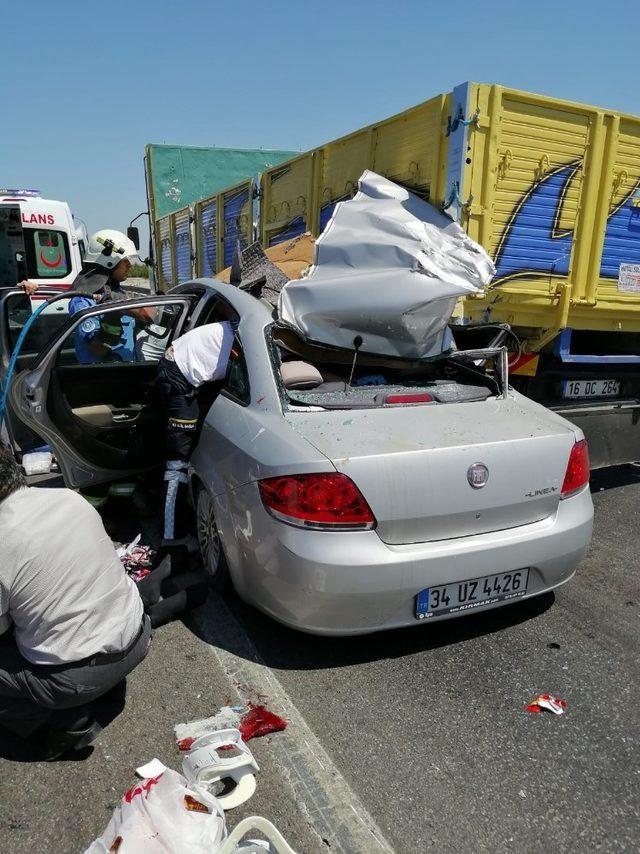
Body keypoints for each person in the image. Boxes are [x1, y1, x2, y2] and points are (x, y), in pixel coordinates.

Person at [0, 446, 151, 758]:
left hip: (78, 676)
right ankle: (100, 695)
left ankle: (61, 724)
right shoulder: (67, 498)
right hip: (138, 635)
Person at [155, 320, 235, 547]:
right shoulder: (247, 333)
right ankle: (171, 538)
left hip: (178, 367)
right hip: (178, 376)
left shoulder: (238, 324)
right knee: (177, 463)